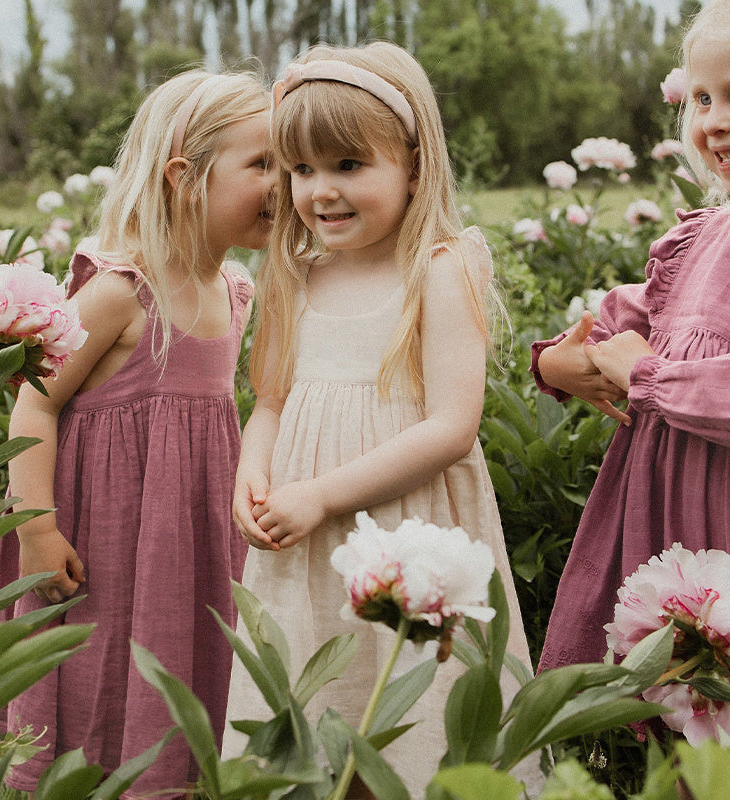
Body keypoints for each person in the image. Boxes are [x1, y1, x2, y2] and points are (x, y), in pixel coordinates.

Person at [222, 42, 541, 798]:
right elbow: (269, 400)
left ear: (413, 164)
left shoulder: (443, 264)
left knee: (411, 711)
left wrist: (324, 494)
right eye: (300, 169)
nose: (319, 191)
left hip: (407, 529)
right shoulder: (293, 273)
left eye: (347, 166)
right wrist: (253, 473)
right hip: (305, 539)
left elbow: (449, 428)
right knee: (319, 702)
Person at [0, 68, 275, 799]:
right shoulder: (123, 290)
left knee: (176, 644)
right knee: (95, 656)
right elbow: (35, 403)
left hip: (184, 530)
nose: (286, 183)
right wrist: (37, 531)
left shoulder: (234, 290)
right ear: (187, 176)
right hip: (97, 528)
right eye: (263, 163)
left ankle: (170, 777)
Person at [534, 0, 730, 673]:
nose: (715, 119)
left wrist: (646, 376)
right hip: (669, 531)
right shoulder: (700, 236)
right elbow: (619, 325)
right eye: (703, 98)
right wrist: (565, 362)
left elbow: (645, 362)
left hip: (722, 523)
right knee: (680, 716)